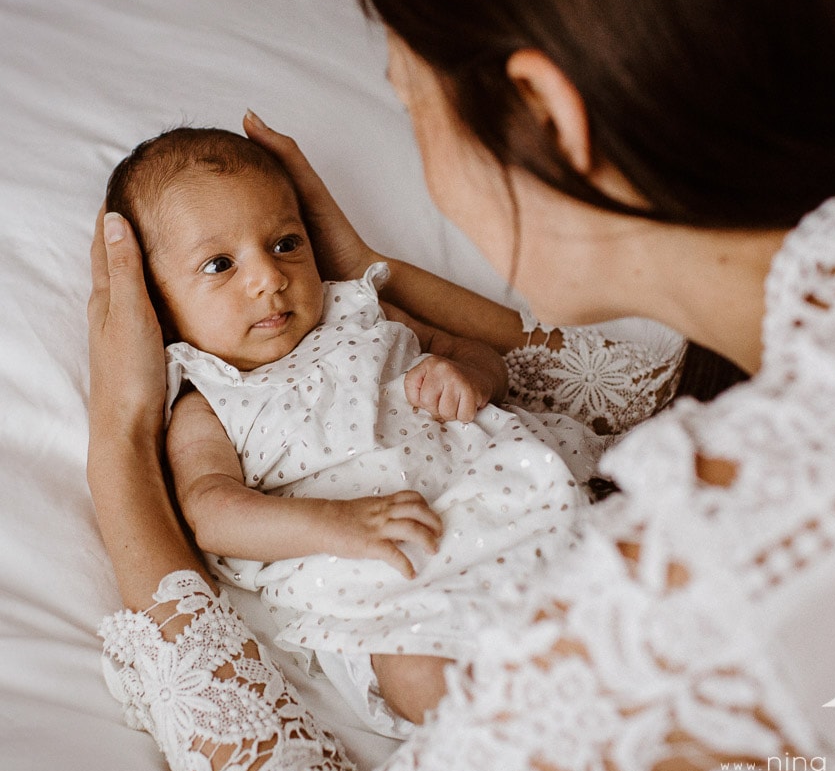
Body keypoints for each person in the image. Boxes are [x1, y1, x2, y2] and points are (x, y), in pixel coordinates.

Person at [87, 0, 835, 771]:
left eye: (407, 102)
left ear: (546, 114)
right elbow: (651, 391)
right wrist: (379, 270)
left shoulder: (650, 638)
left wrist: (121, 448)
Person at [101, 126, 621, 733]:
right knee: (421, 674)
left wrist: (466, 374)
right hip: (384, 582)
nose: (269, 277)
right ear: (157, 304)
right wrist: (339, 521)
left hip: (503, 499)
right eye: (220, 264)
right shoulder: (207, 399)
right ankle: (542, 747)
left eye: (286, 243)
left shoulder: (355, 310)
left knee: (619, 554)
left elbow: (478, 354)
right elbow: (211, 510)